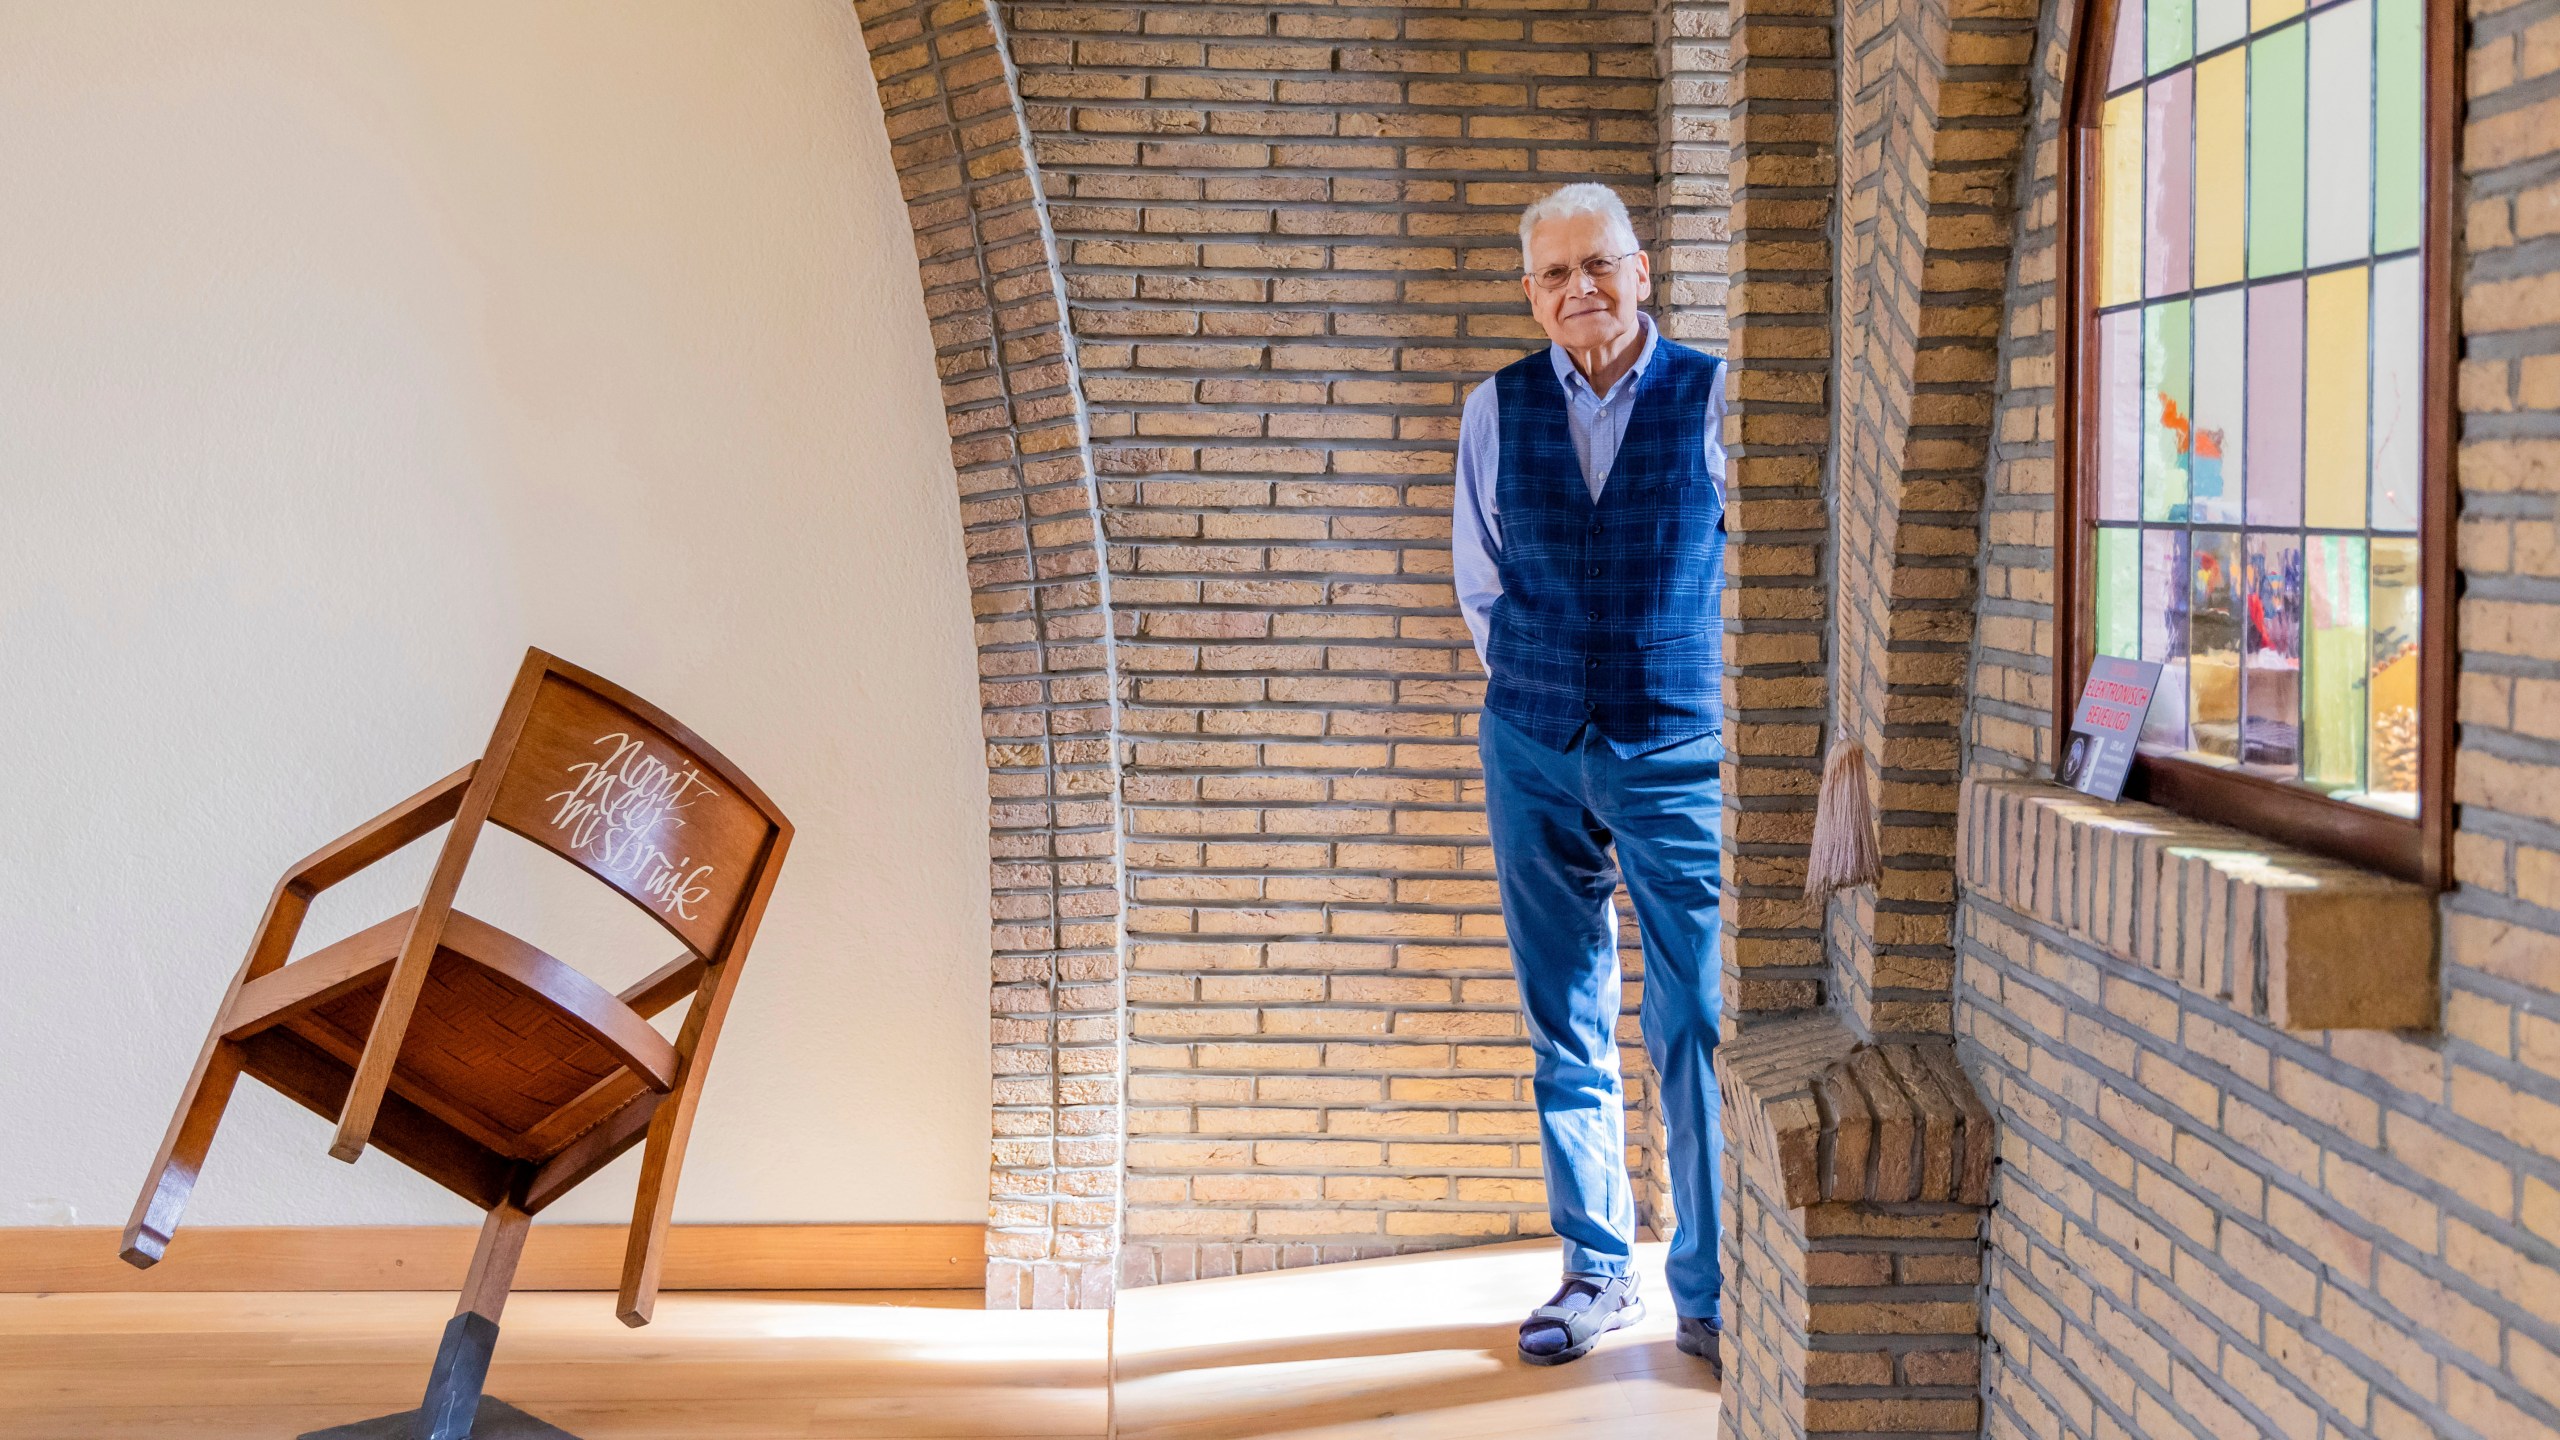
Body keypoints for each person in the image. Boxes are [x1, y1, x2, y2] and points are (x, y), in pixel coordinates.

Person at [1452, 182, 1731, 1372]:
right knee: (1562, 1015)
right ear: (1531, 292)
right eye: (1555, 274)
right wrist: (1544, 695)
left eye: (1599, 265)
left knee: (1699, 1017)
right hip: (1532, 742)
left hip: (1676, 746)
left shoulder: (1716, 395)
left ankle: (1713, 1288)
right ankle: (1595, 1270)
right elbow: (1482, 578)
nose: (1581, 290)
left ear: (1642, 268)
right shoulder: (1495, 408)